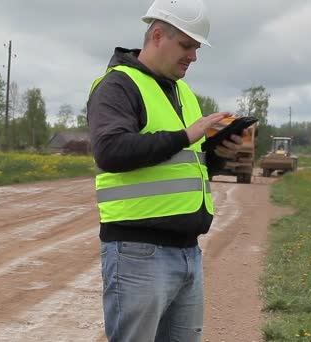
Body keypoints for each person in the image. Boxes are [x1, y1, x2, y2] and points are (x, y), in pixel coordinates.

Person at [86, 0, 243, 341]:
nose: (193, 57)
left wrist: (218, 154)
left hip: (188, 251)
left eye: (197, 48)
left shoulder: (183, 92)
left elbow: (186, 164)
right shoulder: (117, 86)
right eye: (187, 46)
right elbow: (111, 150)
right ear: (157, 35)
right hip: (138, 253)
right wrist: (188, 135)